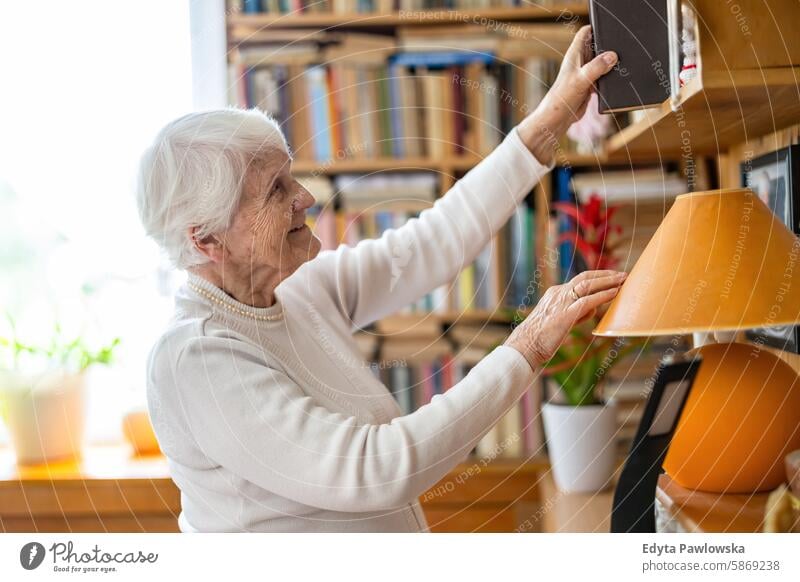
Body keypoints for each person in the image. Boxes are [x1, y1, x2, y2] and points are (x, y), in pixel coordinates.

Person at [136, 25, 626, 532]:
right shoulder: (194, 359)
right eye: (276, 190)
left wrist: (555, 115)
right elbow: (373, 470)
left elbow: (433, 242)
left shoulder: (297, 288)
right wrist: (527, 345)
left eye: (291, 175)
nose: (304, 197)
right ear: (206, 240)